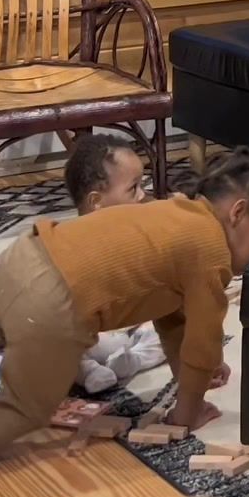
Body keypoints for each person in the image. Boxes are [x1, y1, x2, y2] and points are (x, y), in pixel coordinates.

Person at [0, 147, 249, 480]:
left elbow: (173, 319)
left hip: (24, 256)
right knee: (23, 406)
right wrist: (188, 412)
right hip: (55, 305)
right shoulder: (213, 252)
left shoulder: (173, 211)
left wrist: (189, 379)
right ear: (237, 213)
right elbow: (201, 345)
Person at [64, 134, 164, 392]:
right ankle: (87, 370)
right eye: (133, 188)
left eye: (142, 184)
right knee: (50, 340)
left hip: (131, 329)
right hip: (91, 336)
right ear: (96, 201)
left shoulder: (138, 229)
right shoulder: (71, 242)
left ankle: (131, 361)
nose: (142, 195)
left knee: (174, 326)